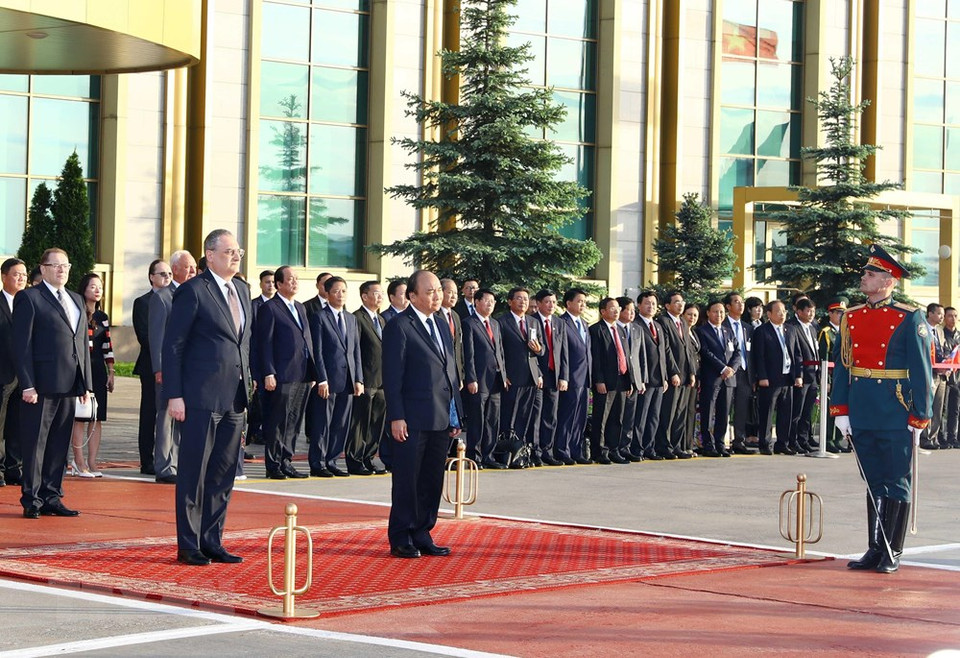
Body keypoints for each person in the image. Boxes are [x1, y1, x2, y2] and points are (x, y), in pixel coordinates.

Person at [831, 244, 933, 573]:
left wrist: (921, 414)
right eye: (865, 272)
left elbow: (921, 370)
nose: (864, 277)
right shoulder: (852, 317)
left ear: (888, 281)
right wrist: (841, 409)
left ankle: (893, 550)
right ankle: (875, 548)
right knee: (873, 479)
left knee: (896, 480)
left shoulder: (909, 318)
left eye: (870, 273)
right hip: (862, 408)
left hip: (895, 408)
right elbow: (844, 365)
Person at [162, 229, 251, 566]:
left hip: (234, 397)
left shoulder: (242, 290)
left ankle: (213, 539)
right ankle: (189, 543)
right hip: (199, 396)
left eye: (238, 250)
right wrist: (175, 395)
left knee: (223, 473)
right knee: (193, 472)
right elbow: (173, 346)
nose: (236, 255)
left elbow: (244, 343)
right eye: (229, 251)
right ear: (209, 254)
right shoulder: (193, 291)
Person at [383, 270, 463, 558]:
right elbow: (392, 377)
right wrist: (396, 416)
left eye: (438, 290)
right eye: (429, 291)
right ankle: (401, 535)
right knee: (408, 479)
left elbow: (449, 371)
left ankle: (422, 532)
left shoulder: (442, 324)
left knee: (431, 479)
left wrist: (456, 413)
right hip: (412, 417)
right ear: (412, 296)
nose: (436, 296)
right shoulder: (399, 326)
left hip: (441, 416)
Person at [13, 248, 93, 518]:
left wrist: (86, 384)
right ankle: (32, 499)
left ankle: (52, 495)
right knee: (35, 444)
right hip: (41, 386)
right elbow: (21, 345)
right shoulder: (30, 298)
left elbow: (81, 342)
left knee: (59, 443)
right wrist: (27, 384)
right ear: (43, 268)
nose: (61, 270)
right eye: (55, 265)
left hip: (69, 384)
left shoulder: (76, 300)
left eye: (66, 265)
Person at [255, 266, 316, 480]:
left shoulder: (299, 308)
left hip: (302, 374)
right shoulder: (270, 308)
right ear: (279, 284)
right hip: (281, 374)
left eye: (296, 279)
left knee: (294, 421)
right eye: (290, 279)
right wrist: (268, 372)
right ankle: (273, 465)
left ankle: (286, 461)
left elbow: (307, 341)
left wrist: (313, 371)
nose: (294, 282)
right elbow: (264, 343)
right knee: (277, 421)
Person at [149, 251, 197, 483]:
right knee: (165, 417)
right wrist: (159, 369)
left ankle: (176, 462)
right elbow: (157, 338)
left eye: (194, 267)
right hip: (168, 369)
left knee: (182, 417)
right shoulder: (162, 298)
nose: (192, 271)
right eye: (188, 267)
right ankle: (164, 465)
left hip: (189, 370)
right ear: (176, 268)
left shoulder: (193, 293)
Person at [309, 276, 363, 477]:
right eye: (336, 291)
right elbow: (318, 352)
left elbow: (356, 351)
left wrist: (358, 378)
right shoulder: (319, 317)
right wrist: (322, 378)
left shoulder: (351, 318)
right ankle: (318, 462)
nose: (341, 295)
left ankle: (332, 460)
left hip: (348, 379)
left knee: (341, 423)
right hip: (328, 380)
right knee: (323, 422)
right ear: (327, 293)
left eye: (344, 291)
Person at [69, 273, 115, 478]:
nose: (97, 290)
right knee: (80, 416)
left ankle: (92, 462)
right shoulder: (77, 312)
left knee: (97, 417)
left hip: (98, 370)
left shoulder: (102, 317)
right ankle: (78, 461)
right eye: (93, 287)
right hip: (81, 369)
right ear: (84, 289)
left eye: (100, 287)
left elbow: (107, 346)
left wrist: (111, 371)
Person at [462, 287, 507, 468]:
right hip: (479, 380)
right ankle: (475, 457)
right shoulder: (469, 323)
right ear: (477, 302)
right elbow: (469, 353)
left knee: (492, 419)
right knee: (477, 420)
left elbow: (500, 352)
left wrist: (504, 375)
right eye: (486, 300)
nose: (490, 304)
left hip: (496, 379)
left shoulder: (495, 324)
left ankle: (488, 455)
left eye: (493, 301)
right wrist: (471, 378)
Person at [751, 299, 802, 455]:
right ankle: (765, 443)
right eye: (778, 311)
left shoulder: (791, 330)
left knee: (786, 411)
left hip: (788, 378)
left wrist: (798, 375)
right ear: (769, 314)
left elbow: (797, 355)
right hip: (770, 378)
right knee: (767, 413)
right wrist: (762, 376)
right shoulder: (762, 331)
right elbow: (758, 356)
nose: (782, 314)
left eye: (784, 311)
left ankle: (782, 443)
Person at [498, 287, 544, 458]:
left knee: (525, 417)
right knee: (509, 416)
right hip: (512, 377)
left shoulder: (533, 322)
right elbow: (499, 352)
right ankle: (506, 452)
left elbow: (541, 349)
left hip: (531, 377)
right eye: (519, 298)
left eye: (525, 298)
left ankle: (521, 452)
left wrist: (539, 351)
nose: (523, 301)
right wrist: (503, 374)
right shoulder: (502, 322)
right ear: (510, 301)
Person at [132, 260, 168, 475]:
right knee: (149, 413)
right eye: (162, 274)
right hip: (150, 365)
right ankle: (147, 460)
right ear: (151, 277)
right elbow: (145, 336)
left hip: (173, 365)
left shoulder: (176, 297)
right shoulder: (143, 302)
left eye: (170, 274)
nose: (167, 277)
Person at [349, 280, 387, 475]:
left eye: (381, 293)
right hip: (366, 379)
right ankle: (355, 459)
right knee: (360, 422)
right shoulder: (357, 318)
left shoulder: (380, 320)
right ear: (365, 296)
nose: (380, 297)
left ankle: (369, 457)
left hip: (382, 380)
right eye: (376, 293)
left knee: (376, 421)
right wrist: (358, 378)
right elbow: (355, 351)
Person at [590, 297, 635, 464]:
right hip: (605, 381)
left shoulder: (621, 330)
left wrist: (630, 380)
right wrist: (599, 380)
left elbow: (626, 357)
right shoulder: (596, 330)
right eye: (612, 308)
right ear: (603, 311)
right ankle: (599, 451)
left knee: (618, 418)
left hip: (622, 379)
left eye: (617, 308)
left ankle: (613, 449)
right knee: (601, 418)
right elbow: (596, 358)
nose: (616, 311)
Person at [696, 301, 740, 457]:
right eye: (715, 312)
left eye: (722, 312)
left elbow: (738, 352)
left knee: (724, 412)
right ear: (708, 313)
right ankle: (708, 444)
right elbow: (706, 353)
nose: (719, 315)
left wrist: (731, 369)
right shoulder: (702, 331)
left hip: (728, 379)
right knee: (707, 411)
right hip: (711, 377)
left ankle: (720, 444)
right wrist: (722, 368)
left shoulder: (728, 331)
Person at [656, 291, 696, 459]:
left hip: (686, 375)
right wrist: (673, 371)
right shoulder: (664, 322)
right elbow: (666, 350)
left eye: (682, 302)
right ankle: (664, 446)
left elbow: (689, 350)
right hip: (674, 374)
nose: (681, 305)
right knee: (669, 412)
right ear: (667, 306)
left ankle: (677, 445)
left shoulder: (683, 323)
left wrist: (692, 372)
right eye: (676, 302)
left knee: (680, 412)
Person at [532, 289, 568, 466]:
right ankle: (535, 452)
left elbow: (564, 353)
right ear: (538, 303)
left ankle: (547, 451)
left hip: (555, 376)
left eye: (554, 302)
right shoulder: (532, 321)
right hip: (538, 376)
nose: (551, 305)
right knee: (537, 415)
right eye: (547, 302)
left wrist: (564, 376)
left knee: (551, 416)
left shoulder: (559, 323)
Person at [556, 288, 592, 464]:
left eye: (584, 301)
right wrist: (564, 376)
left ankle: (577, 450)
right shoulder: (562, 323)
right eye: (579, 301)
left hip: (584, 378)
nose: (583, 304)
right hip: (570, 378)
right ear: (568, 303)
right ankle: (563, 450)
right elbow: (561, 353)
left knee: (580, 417)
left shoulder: (584, 324)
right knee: (567, 416)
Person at [0, 258, 27, 487]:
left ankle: (13, 468)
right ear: (4, 276)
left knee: (17, 424)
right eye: (17, 274)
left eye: (24, 275)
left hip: (24, 375)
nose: (21, 278)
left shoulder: (28, 302)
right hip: (2, 373)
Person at [634, 290, 669, 461]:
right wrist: (639, 378)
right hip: (645, 379)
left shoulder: (658, 326)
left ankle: (649, 447)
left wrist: (665, 376)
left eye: (654, 304)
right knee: (641, 415)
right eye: (647, 303)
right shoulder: (636, 325)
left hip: (659, 379)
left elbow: (664, 352)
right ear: (639, 305)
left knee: (654, 416)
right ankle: (637, 448)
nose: (651, 306)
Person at [723, 292, 756, 454]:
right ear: (728, 306)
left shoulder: (747, 328)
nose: (740, 305)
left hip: (744, 373)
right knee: (725, 408)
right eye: (736, 302)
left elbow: (752, 354)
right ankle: (722, 441)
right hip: (728, 372)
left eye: (742, 302)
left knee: (742, 408)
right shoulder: (722, 325)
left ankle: (739, 441)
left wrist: (754, 376)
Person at [616, 296, 646, 461]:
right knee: (618, 416)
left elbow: (641, 357)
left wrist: (641, 379)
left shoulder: (636, 329)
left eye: (634, 310)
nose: (632, 313)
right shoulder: (615, 328)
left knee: (630, 416)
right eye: (629, 309)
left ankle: (626, 447)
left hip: (635, 380)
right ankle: (615, 447)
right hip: (620, 380)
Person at [818, 299, 849, 453]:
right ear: (830, 314)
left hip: (844, 376)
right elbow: (824, 358)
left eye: (843, 312)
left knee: (842, 407)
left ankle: (837, 439)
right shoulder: (826, 332)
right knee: (831, 409)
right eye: (838, 312)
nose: (841, 315)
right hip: (832, 376)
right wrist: (826, 381)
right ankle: (828, 439)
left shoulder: (846, 331)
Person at [920, 303, 948, 450]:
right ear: (930, 314)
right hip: (928, 373)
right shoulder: (922, 329)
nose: (942, 317)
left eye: (942, 314)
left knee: (938, 407)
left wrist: (947, 366)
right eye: (939, 314)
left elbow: (941, 351)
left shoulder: (940, 331)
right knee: (927, 406)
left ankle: (933, 437)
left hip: (941, 375)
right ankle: (925, 437)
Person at [682, 302, 702, 452]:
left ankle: (689, 445)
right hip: (686, 377)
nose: (692, 318)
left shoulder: (693, 332)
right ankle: (681, 445)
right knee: (682, 412)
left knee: (691, 412)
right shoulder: (681, 332)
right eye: (689, 314)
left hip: (695, 378)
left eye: (695, 315)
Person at [439, 279, 465, 385]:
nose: (454, 296)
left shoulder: (455, 316)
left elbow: (459, 346)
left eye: (456, 293)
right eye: (450, 292)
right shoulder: (434, 315)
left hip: (455, 374)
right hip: (441, 374)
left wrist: (461, 374)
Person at [942, 307, 960, 449]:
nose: (953, 319)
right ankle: (941, 438)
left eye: (955, 316)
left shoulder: (959, 336)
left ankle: (954, 438)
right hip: (945, 377)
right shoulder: (941, 335)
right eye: (949, 316)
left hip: (958, 377)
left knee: (955, 409)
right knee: (943, 409)